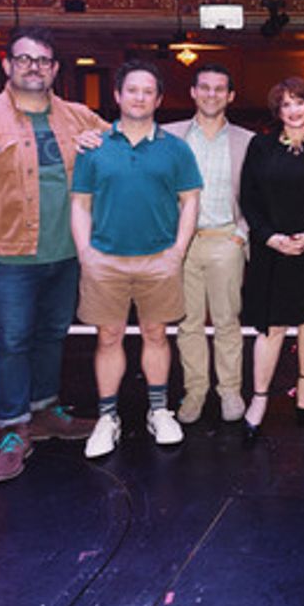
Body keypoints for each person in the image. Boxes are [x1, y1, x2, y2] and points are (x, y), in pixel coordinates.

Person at [0, 26, 107, 482]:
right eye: (25, 59)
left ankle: (45, 412)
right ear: (7, 65)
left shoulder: (79, 118)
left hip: (65, 253)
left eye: (44, 60)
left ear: (55, 69)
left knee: (52, 336)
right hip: (5, 256)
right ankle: (13, 429)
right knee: (11, 343)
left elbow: (130, 145)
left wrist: (104, 144)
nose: (35, 67)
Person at [71, 60, 201, 459]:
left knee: (156, 334)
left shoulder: (175, 149)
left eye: (148, 91)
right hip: (105, 261)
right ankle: (108, 418)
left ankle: (158, 411)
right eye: (132, 90)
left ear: (158, 99)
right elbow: (80, 205)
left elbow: (190, 201)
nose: (139, 97)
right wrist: (86, 255)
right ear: (117, 95)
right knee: (108, 337)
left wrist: (178, 251)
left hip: (159, 258)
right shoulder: (94, 147)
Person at [160, 65, 254, 426]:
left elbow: (255, 194)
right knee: (187, 323)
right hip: (181, 243)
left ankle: (230, 390)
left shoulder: (246, 140)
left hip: (225, 240)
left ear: (230, 96)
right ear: (194, 93)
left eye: (220, 89)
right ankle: (195, 391)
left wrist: (241, 234)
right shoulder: (168, 136)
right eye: (205, 88)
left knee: (228, 321)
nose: (211, 94)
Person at [239, 77, 304, 437]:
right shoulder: (260, 146)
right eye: (286, 104)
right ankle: (259, 397)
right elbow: (249, 198)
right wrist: (270, 237)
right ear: (278, 111)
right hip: (272, 250)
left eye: (300, 103)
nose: (293, 111)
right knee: (271, 327)